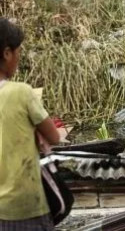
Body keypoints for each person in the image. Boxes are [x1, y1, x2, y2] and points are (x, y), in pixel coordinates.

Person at [0, 18, 61, 230]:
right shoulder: (21, 92)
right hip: (26, 206)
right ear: (7, 53)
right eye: (18, 52)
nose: (18, 58)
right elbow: (54, 137)